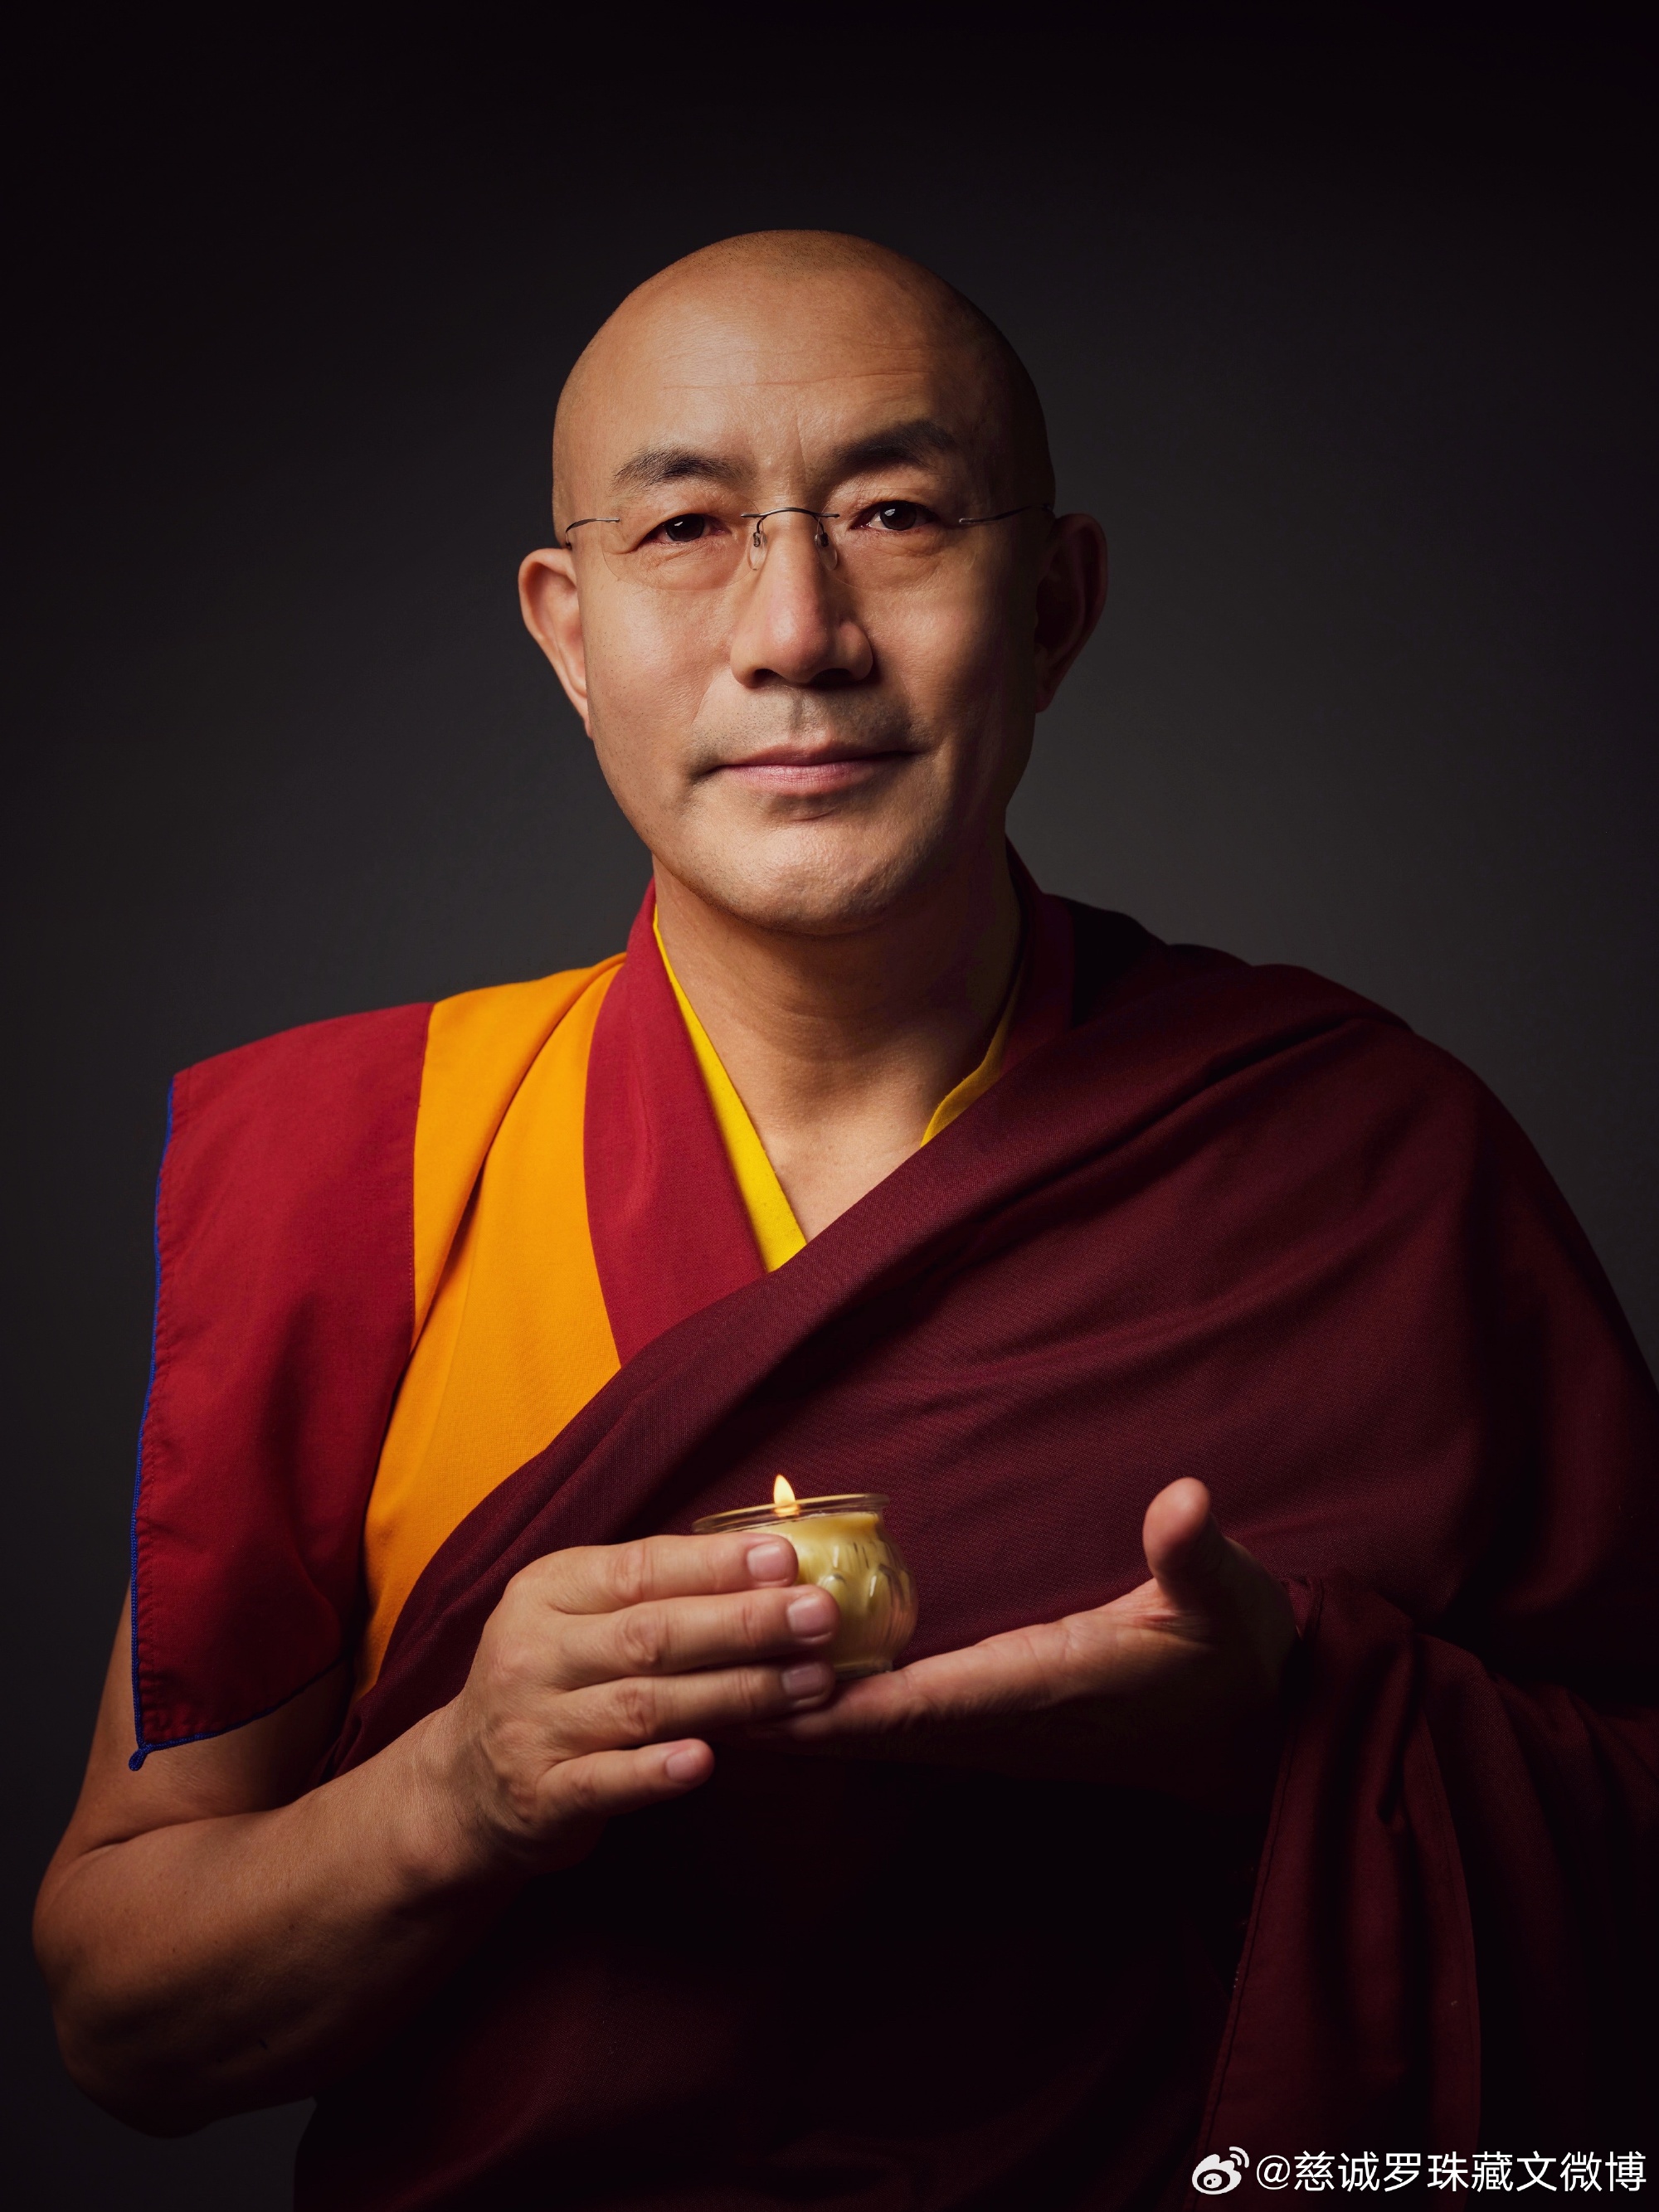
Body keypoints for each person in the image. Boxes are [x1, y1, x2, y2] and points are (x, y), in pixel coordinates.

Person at [34, 231, 1659, 2211]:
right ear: (565, 629)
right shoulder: (368, 1163)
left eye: (896, 514)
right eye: (685, 529)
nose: (796, 632)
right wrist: (460, 1787)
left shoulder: (1361, 1158)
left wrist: (1297, 1726)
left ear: (1052, 603)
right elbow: (123, 2015)